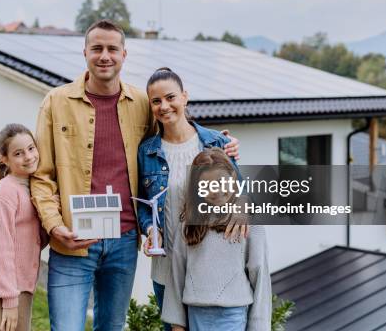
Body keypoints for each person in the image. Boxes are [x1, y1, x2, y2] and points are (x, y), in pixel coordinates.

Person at [31, 19, 240, 331]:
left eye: (112, 49)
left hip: (124, 241)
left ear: (124, 54)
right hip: (72, 240)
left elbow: (174, 132)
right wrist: (54, 225)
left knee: (111, 327)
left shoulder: (142, 103)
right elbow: (41, 176)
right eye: (97, 48)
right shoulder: (56, 102)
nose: (105, 56)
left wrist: (221, 143)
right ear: (85, 52)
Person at [137, 67, 248, 331]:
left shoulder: (216, 143)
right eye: (156, 101)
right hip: (166, 270)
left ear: (185, 97)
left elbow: (240, 192)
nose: (164, 106)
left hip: (208, 270)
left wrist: (243, 211)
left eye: (171, 97)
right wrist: (150, 229)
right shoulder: (146, 152)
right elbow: (143, 205)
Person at [162, 148, 271, 331]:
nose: (217, 191)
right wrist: (177, 324)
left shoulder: (249, 219)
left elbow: (260, 275)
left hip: (233, 315)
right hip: (195, 313)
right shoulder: (188, 223)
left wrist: (259, 327)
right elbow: (177, 274)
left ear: (233, 178)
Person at [0, 124, 48, 331]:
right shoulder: (4, 194)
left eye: (31, 148)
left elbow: (33, 239)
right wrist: (9, 301)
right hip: (1, 291)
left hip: (20, 286)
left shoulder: (30, 188)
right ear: (4, 158)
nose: (29, 157)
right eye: (18, 153)